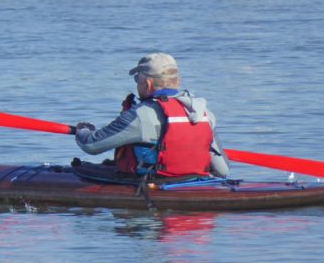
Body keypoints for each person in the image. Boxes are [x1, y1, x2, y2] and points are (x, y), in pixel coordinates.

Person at [75, 53, 230, 179]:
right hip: (195, 184)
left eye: (137, 79)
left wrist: (82, 131)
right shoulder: (204, 113)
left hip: (153, 186)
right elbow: (222, 171)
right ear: (177, 82)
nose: (136, 84)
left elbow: (91, 145)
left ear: (148, 84)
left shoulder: (140, 115)